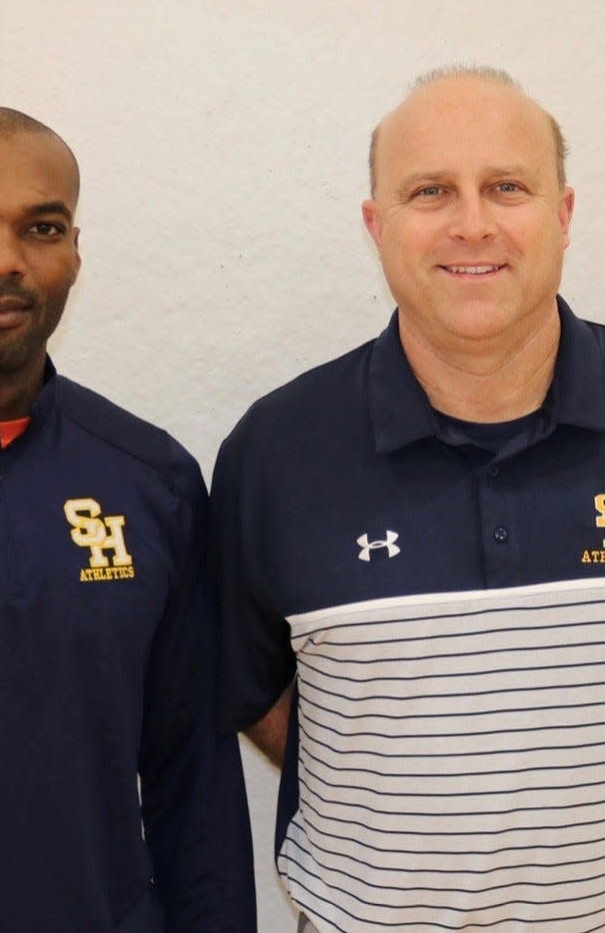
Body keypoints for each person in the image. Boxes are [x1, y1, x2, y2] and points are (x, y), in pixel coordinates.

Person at [211, 66, 605, 932]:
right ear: (376, 225)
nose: (473, 222)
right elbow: (254, 690)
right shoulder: (275, 454)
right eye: (431, 191)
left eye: (507, 186)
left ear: (564, 215)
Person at [0, 107, 255, 933]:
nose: (3, 258)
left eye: (41, 227)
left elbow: (195, 789)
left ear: (74, 253)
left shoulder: (154, 481)